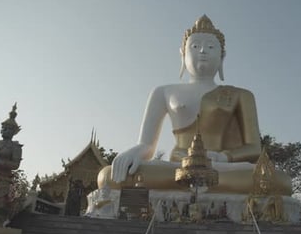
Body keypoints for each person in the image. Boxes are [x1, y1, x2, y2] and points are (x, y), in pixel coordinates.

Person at [98, 15, 290, 194]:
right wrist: (135, 151)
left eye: (211, 47)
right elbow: (147, 145)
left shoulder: (241, 95)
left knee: (278, 180)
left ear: (222, 56)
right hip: (178, 167)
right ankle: (203, 184)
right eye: (195, 46)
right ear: (183, 54)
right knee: (109, 175)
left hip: (222, 167)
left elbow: (254, 149)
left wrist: (222, 157)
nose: (203, 51)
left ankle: (199, 184)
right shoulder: (163, 91)